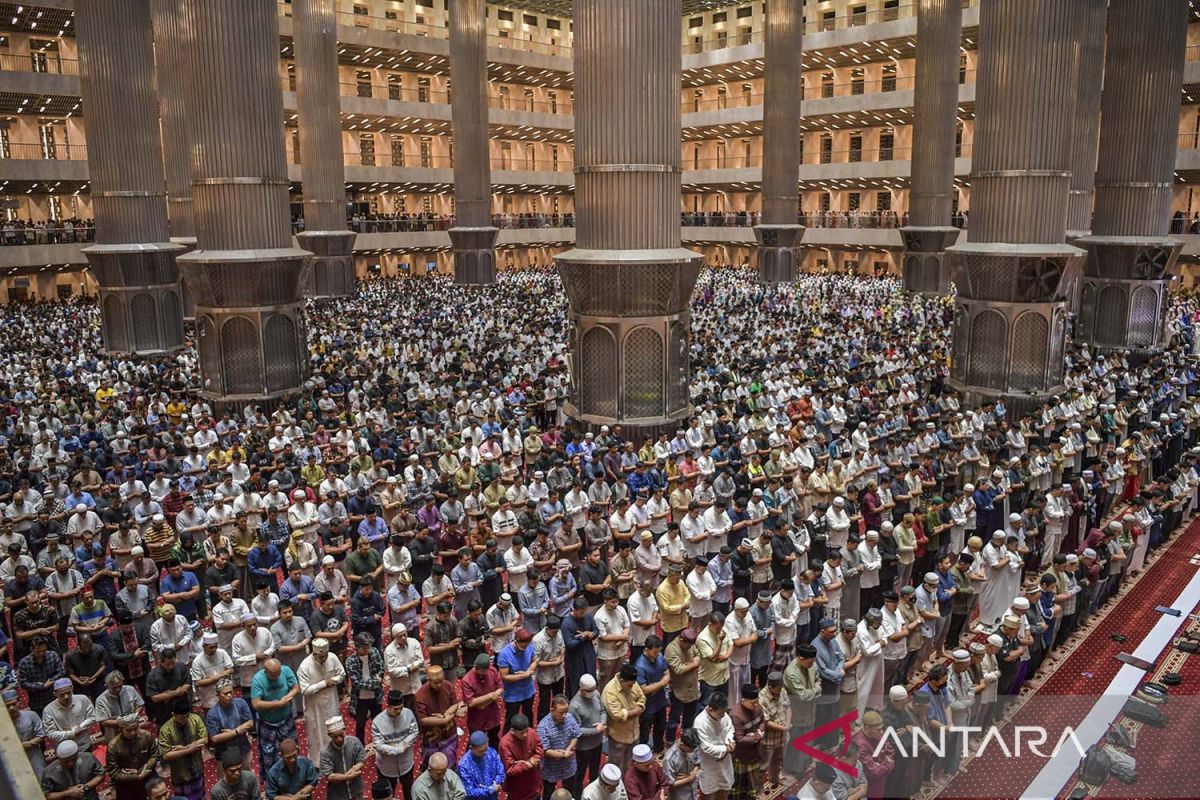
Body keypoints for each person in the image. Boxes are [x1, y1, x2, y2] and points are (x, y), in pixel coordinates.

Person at [250, 657, 300, 776]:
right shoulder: (258, 679)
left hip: (286, 718)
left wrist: (287, 697)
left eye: (278, 673)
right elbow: (256, 704)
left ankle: (293, 774)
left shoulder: (286, 670)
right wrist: (278, 703)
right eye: (273, 674)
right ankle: (272, 779)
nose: (277, 676)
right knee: (269, 753)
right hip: (268, 723)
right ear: (265, 671)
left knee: (291, 747)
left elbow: (296, 688)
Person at [297, 636, 345, 758]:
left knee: (334, 730)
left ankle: (336, 759)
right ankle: (318, 761)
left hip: (331, 702)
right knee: (316, 734)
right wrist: (324, 684)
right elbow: (305, 690)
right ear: (314, 653)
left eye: (325, 656)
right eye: (321, 656)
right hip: (314, 706)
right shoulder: (305, 666)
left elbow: (342, 674)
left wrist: (334, 680)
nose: (324, 659)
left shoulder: (332, 658)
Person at [372, 689, 420, 800]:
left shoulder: (408, 713)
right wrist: (399, 749)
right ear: (388, 706)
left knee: (409, 792)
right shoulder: (378, 722)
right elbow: (379, 746)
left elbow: (414, 732)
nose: (399, 711)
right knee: (388, 794)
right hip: (387, 767)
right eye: (396, 709)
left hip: (406, 763)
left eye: (401, 708)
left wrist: (403, 743)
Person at [156, 698, 208, 800]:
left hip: (197, 768)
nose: (185, 720)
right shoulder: (166, 730)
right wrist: (189, 749)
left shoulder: (195, 719)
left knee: (201, 796)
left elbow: (205, 739)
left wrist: (183, 748)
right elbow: (166, 755)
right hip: (180, 774)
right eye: (181, 717)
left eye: (187, 716)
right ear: (173, 715)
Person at [415, 664, 464, 768]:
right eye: (435, 683)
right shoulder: (420, 695)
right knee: (432, 766)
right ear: (428, 679)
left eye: (441, 681)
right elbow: (423, 720)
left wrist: (446, 714)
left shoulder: (448, 685)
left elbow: (455, 704)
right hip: (432, 737)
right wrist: (444, 720)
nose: (439, 685)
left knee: (450, 764)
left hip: (449, 732)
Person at [783, 643, 820, 779]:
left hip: (811, 709)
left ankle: (804, 762)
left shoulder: (811, 665)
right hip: (797, 711)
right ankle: (794, 768)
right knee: (798, 740)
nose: (812, 665)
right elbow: (803, 696)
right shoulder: (791, 673)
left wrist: (815, 689)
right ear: (801, 658)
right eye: (810, 662)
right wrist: (816, 690)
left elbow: (818, 680)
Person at [602, 662, 646, 774]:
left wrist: (639, 707)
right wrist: (636, 711)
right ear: (622, 681)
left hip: (634, 732)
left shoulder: (632, 683)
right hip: (618, 736)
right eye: (630, 685)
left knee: (630, 762)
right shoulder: (610, 691)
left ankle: (627, 783)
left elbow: (642, 698)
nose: (632, 687)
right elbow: (617, 715)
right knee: (615, 764)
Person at [568, 673, 607, 796]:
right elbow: (576, 730)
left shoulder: (595, 694)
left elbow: (603, 710)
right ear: (582, 689)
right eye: (589, 690)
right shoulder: (574, 706)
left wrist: (603, 721)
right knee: (580, 774)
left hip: (598, 742)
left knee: (595, 771)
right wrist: (596, 730)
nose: (593, 692)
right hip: (583, 747)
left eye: (593, 689)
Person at [537, 693, 581, 800]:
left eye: (566, 711)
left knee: (570, 792)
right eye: (561, 712)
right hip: (550, 768)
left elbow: (576, 736)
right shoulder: (543, 726)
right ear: (552, 709)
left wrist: (569, 748)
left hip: (568, 765)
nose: (564, 715)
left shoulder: (569, 718)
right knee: (549, 793)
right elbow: (545, 750)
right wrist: (563, 755)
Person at [105, 714, 159, 800]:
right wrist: (137, 776)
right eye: (128, 730)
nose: (133, 732)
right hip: (126, 782)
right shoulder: (113, 746)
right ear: (121, 729)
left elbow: (155, 755)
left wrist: (140, 771)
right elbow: (113, 773)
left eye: (135, 728)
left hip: (147, 774)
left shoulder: (146, 735)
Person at [695, 692, 735, 800]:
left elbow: (730, 728)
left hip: (725, 761)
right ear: (711, 709)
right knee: (709, 794)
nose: (723, 716)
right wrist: (726, 748)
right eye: (720, 714)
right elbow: (706, 747)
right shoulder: (700, 723)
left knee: (725, 788)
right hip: (709, 765)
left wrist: (729, 741)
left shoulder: (723, 715)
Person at [206, 680, 255, 769]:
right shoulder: (212, 713)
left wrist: (229, 734)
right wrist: (236, 732)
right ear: (218, 695)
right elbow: (214, 738)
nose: (229, 695)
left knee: (246, 775)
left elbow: (250, 722)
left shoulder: (241, 702)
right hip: (224, 752)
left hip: (243, 747)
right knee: (226, 779)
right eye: (225, 693)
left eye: (231, 692)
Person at [497, 627, 538, 729]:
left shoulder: (529, 646)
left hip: (528, 690)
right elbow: (504, 676)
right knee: (511, 719)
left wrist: (529, 671)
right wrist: (523, 676)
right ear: (516, 641)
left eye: (527, 646)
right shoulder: (505, 654)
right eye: (522, 647)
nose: (525, 648)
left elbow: (534, 661)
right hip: (513, 694)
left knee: (529, 716)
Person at [42, 677, 96, 754]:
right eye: (62, 695)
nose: (66, 697)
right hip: (63, 749)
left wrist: (81, 726)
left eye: (68, 693)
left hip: (84, 744)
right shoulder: (48, 710)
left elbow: (92, 717)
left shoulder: (83, 699)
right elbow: (51, 733)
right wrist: (73, 733)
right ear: (55, 694)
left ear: (72, 689)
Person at [319, 716, 367, 800]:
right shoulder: (325, 752)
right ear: (329, 735)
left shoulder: (355, 742)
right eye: (335, 736)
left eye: (341, 735)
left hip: (356, 789)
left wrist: (354, 768)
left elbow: (362, 760)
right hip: (337, 794)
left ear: (345, 730)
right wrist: (347, 777)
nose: (339, 739)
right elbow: (329, 776)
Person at [6, 687, 48, 781]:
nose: (11, 708)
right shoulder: (3, 725)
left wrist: (29, 743)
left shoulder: (31, 715)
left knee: (41, 777)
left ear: (19, 701)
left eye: (13, 704)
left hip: (33, 752)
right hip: (13, 756)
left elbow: (42, 734)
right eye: (7, 706)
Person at [500, 713, 544, 800]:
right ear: (513, 731)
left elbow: (540, 750)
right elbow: (510, 769)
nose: (525, 735)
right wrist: (528, 764)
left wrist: (533, 759)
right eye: (521, 733)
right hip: (517, 786)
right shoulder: (505, 743)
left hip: (534, 780)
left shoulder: (532, 733)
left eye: (526, 731)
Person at [459, 728, 507, 800]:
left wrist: (497, 782)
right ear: (471, 748)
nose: (485, 753)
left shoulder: (491, 752)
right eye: (481, 751)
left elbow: (501, 772)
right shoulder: (463, 766)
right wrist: (490, 789)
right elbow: (469, 791)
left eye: (486, 749)